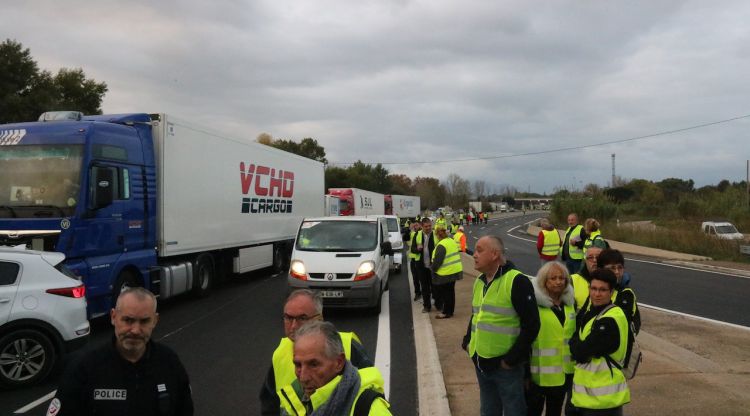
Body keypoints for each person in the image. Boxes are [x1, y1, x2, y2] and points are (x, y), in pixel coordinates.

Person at [49, 287, 193, 416]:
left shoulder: (169, 363)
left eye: (144, 321)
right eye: (128, 320)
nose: (135, 330)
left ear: (155, 321)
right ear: (113, 317)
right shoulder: (85, 368)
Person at [260, 290, 373, 415]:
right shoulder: (280, 353)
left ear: (320, 318)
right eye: (288, 318)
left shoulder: (348, 345)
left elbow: (370, 394)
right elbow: (270, 405)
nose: (293, 326)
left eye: (302, 318)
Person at [462, 236, 540, 416]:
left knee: (514, 410)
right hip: (480, 361)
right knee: (488, 410)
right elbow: (477, 315)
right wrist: (468, 342)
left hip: (505, 367)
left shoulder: (516, 281)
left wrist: (510, 360)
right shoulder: (480, 281)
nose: (474, 255)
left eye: (479, 250)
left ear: (495, 254)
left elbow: (532, 325)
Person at [278, 321, 391, 415]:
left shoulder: (370, 409)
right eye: (298, 365)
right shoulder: (294, 401)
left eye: (313, 365)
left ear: (339, 362)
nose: (303, 377)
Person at [568, 269, 630, 415]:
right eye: (594, 288)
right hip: (589, 398)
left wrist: (574, 344)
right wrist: (576, 343)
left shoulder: (609, 320)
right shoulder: (594, 311)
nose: (597, 294)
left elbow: (581, 352)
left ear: (612, 292)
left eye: (602, 290)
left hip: (602, 402)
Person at [527, 262, 576, 416]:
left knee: (554, 412)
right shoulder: (534, 306)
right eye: (553, 278)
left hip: (563, 374)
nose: (558, 281)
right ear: (544, 281)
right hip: (538, 376)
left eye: (562, 278)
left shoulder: (570, 305)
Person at [595, 249, 641, 334]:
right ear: (600, 269)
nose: (617, 272)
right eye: (612, 268)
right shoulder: (593, 288)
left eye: (620, 268)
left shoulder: (626, 294)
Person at [430, 224, 463, 319]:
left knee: (446, 294)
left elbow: (438, 261)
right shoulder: (451, 241)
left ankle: (446, 312)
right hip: (455, 271)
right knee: (450, 292)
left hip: (445, 273)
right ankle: (450, 311)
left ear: (437, 235)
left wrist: (433, 269)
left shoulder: (441, 245)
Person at [410, 217, 437, 313]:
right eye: (426, 226)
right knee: (425, 287)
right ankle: (427, 306)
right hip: (421, 266)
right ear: (422, 226)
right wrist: (418, 249)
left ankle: (438, 304)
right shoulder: (417, 234)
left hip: (433, 265)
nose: (428, 228)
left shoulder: (435, 234)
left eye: (430, 226)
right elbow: (412, 249)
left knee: (435, 286)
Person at [570, 246, 603, 311]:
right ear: (585, 261)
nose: (595, 260)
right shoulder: (572, 280)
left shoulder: (611, 281)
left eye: (598, 257)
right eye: (590, 257)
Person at [408, 221, 423, 301]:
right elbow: (405, 238)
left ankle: (425, 293)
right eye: (414, 225)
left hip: (420, 259)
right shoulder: (412, 233)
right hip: (413, 260)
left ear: (420, 225)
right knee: (415, 278)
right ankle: (417, 293)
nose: (415, 226)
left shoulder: (421, 234)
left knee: (423, 278)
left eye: (416, 225)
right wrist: (409, 229)